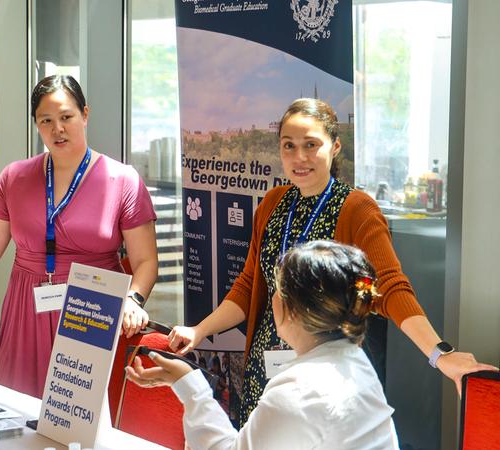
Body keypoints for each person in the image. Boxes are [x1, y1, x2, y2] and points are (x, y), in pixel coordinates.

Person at [168, 98, 497, 421]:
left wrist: (440, 354)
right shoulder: (273, 203)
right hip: (266, 370)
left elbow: (385, 289)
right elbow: (250, 284)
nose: (300, 157)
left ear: (335, 147)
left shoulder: (357, 210)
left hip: (328, 376)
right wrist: (200, 331)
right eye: (289, 146)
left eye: (311, 145)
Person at [0, 74, 158, 398]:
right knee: (20, 413)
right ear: (36, 124)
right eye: (46, 120)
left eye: (66, 117)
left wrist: (133, 299)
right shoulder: (16, 177)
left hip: (92, 309)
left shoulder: (122, 180)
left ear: (85, 114)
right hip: (27, 309)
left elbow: (145, 261)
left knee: (80, 422)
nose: (57, 129)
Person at [128, 241, 400, 449]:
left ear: (291, 310)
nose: (272, 298)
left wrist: (191, 387)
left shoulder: (298, 394)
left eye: (278, 290)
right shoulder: (355, 363)